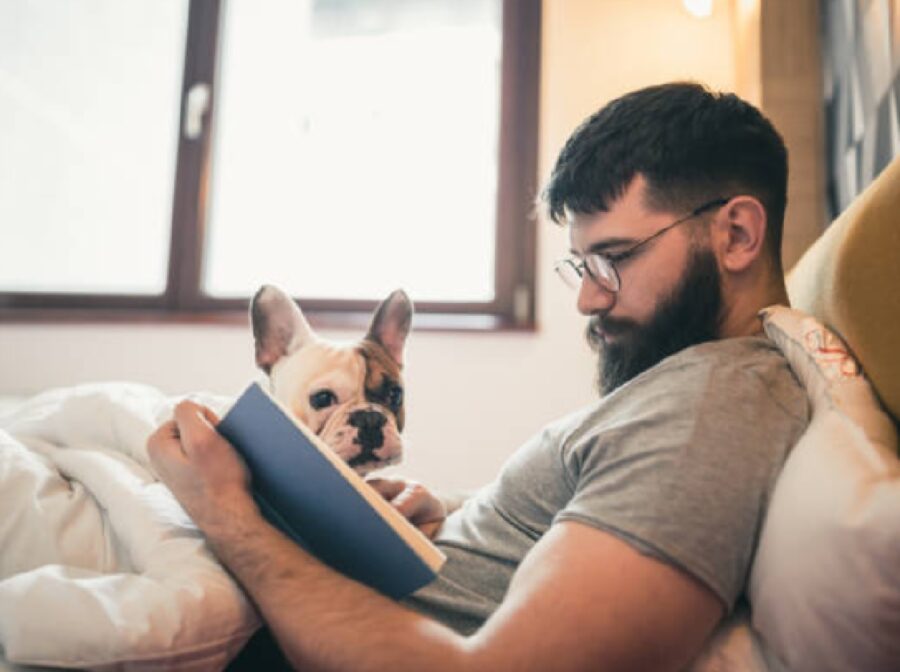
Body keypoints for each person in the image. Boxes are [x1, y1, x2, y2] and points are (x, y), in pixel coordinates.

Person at [148, 82, 810, 671]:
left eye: (613, 259)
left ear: (738, 235)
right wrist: (449, 512)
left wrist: (226, 513)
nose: (587, 299)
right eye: (581, 267)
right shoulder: (682, 389)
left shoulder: (709, 415)